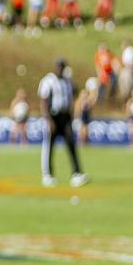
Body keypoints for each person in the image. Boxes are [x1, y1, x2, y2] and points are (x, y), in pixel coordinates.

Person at [38, 58, 87, 187]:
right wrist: (48, 120)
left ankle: (76, 173)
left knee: (71, 144)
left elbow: (74, 92)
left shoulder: (67, 82)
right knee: (49, 146)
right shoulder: (48, 81)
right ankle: (48, 174)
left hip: (65, 117)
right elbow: (43, 101)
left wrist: (71, 79)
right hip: (53, 116)